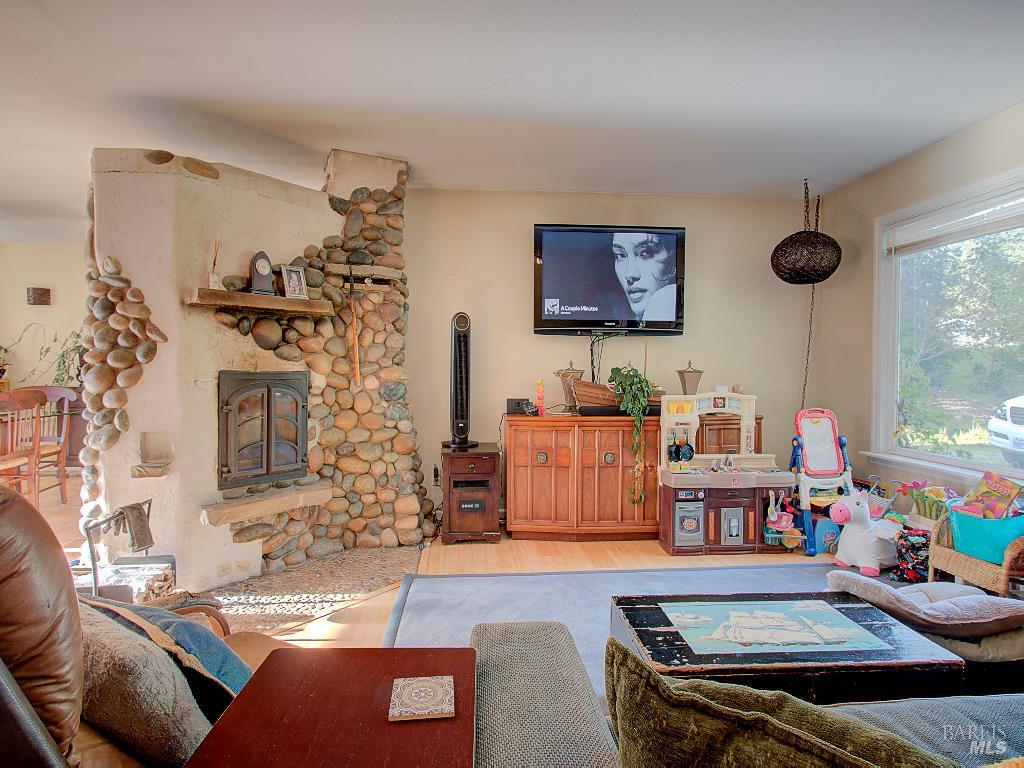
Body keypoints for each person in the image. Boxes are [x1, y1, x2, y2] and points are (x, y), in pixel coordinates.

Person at [612, 232, 676, 322]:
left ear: (673, 258)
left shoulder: (665, 296)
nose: (629, 274)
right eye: (621, 255)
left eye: (646, 253)